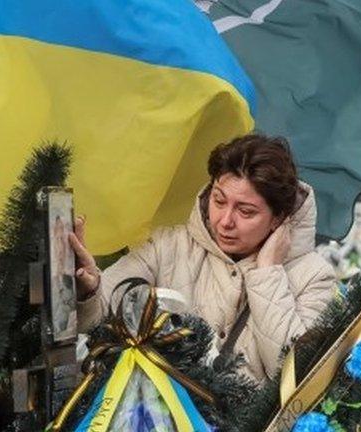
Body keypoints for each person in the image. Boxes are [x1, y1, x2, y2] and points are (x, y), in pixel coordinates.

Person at [69, 134, 336, 382]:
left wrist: (267, 272)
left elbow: (297, 375)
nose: (225, 221)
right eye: (219, 201)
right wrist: (90, 288)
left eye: (245, 211)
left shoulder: (313, 276)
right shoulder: (168, 246)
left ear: (278, 218)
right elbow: (99, 313)